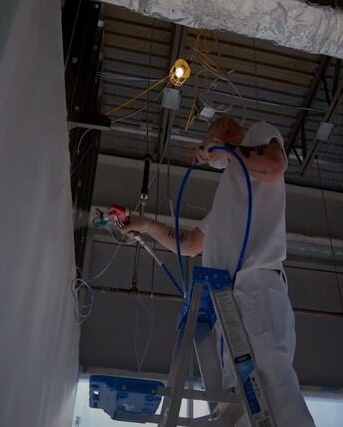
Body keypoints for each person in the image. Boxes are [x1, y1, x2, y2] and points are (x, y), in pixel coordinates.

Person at [120, 117, 315, 426]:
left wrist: (222, 148)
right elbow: (192, 243)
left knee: (274, 387)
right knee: (239, 402)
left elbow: (275, 165)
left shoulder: (260, 132)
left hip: (256, 285)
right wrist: (143, 225)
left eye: (204, 141)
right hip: (228, 304)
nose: (203, 152)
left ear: (222, 126)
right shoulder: (227, 202)